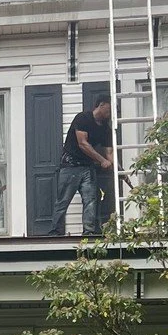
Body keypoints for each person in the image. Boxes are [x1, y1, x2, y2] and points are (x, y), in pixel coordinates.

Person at [51, 95, 115, 236]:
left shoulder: (105, 129)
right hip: (70, 165)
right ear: (101, 104)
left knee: (91, 199)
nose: (111, 112)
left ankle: (89, 232)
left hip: (88, 167)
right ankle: (55, 232)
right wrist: (102, 160)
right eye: (110, 107)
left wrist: (117, 168)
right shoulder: (83, 118)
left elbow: (109, 153)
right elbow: (83, 144)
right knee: (63, 200)